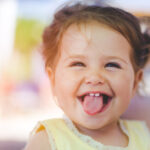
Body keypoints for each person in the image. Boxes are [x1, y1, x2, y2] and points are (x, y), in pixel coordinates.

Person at [24, 1, 150, 149]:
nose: (95, 77)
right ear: (53, 80)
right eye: (78, 64)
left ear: (135, 82)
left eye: (111, 65)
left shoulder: (143, 135)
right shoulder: (47, 141)